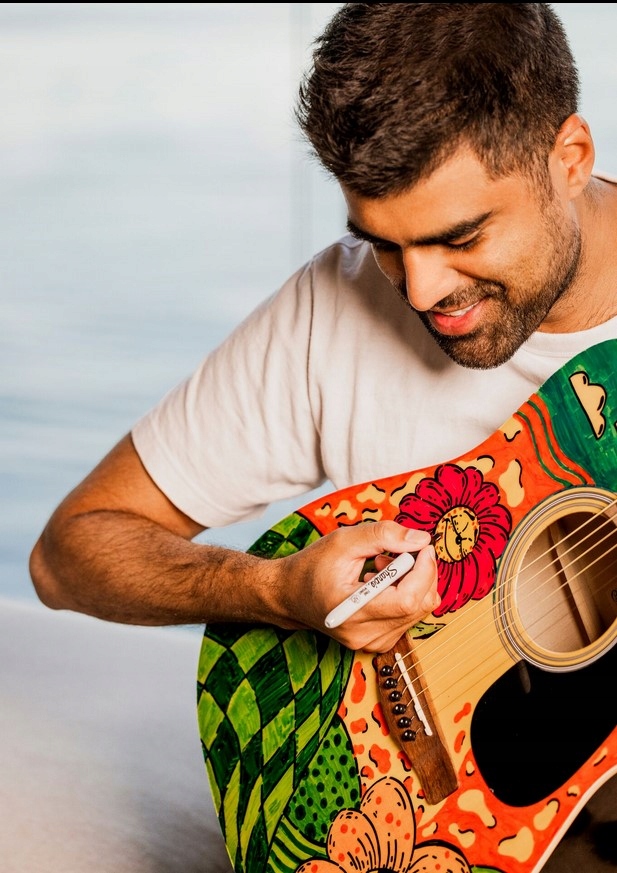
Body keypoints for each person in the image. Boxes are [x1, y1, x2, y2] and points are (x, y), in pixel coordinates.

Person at [29, 3, 617, 652]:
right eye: (384, 243)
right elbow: (67, 553)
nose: (420, 292)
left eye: (460, 238)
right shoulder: (338, 302)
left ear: (570, 159)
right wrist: (275, 591)